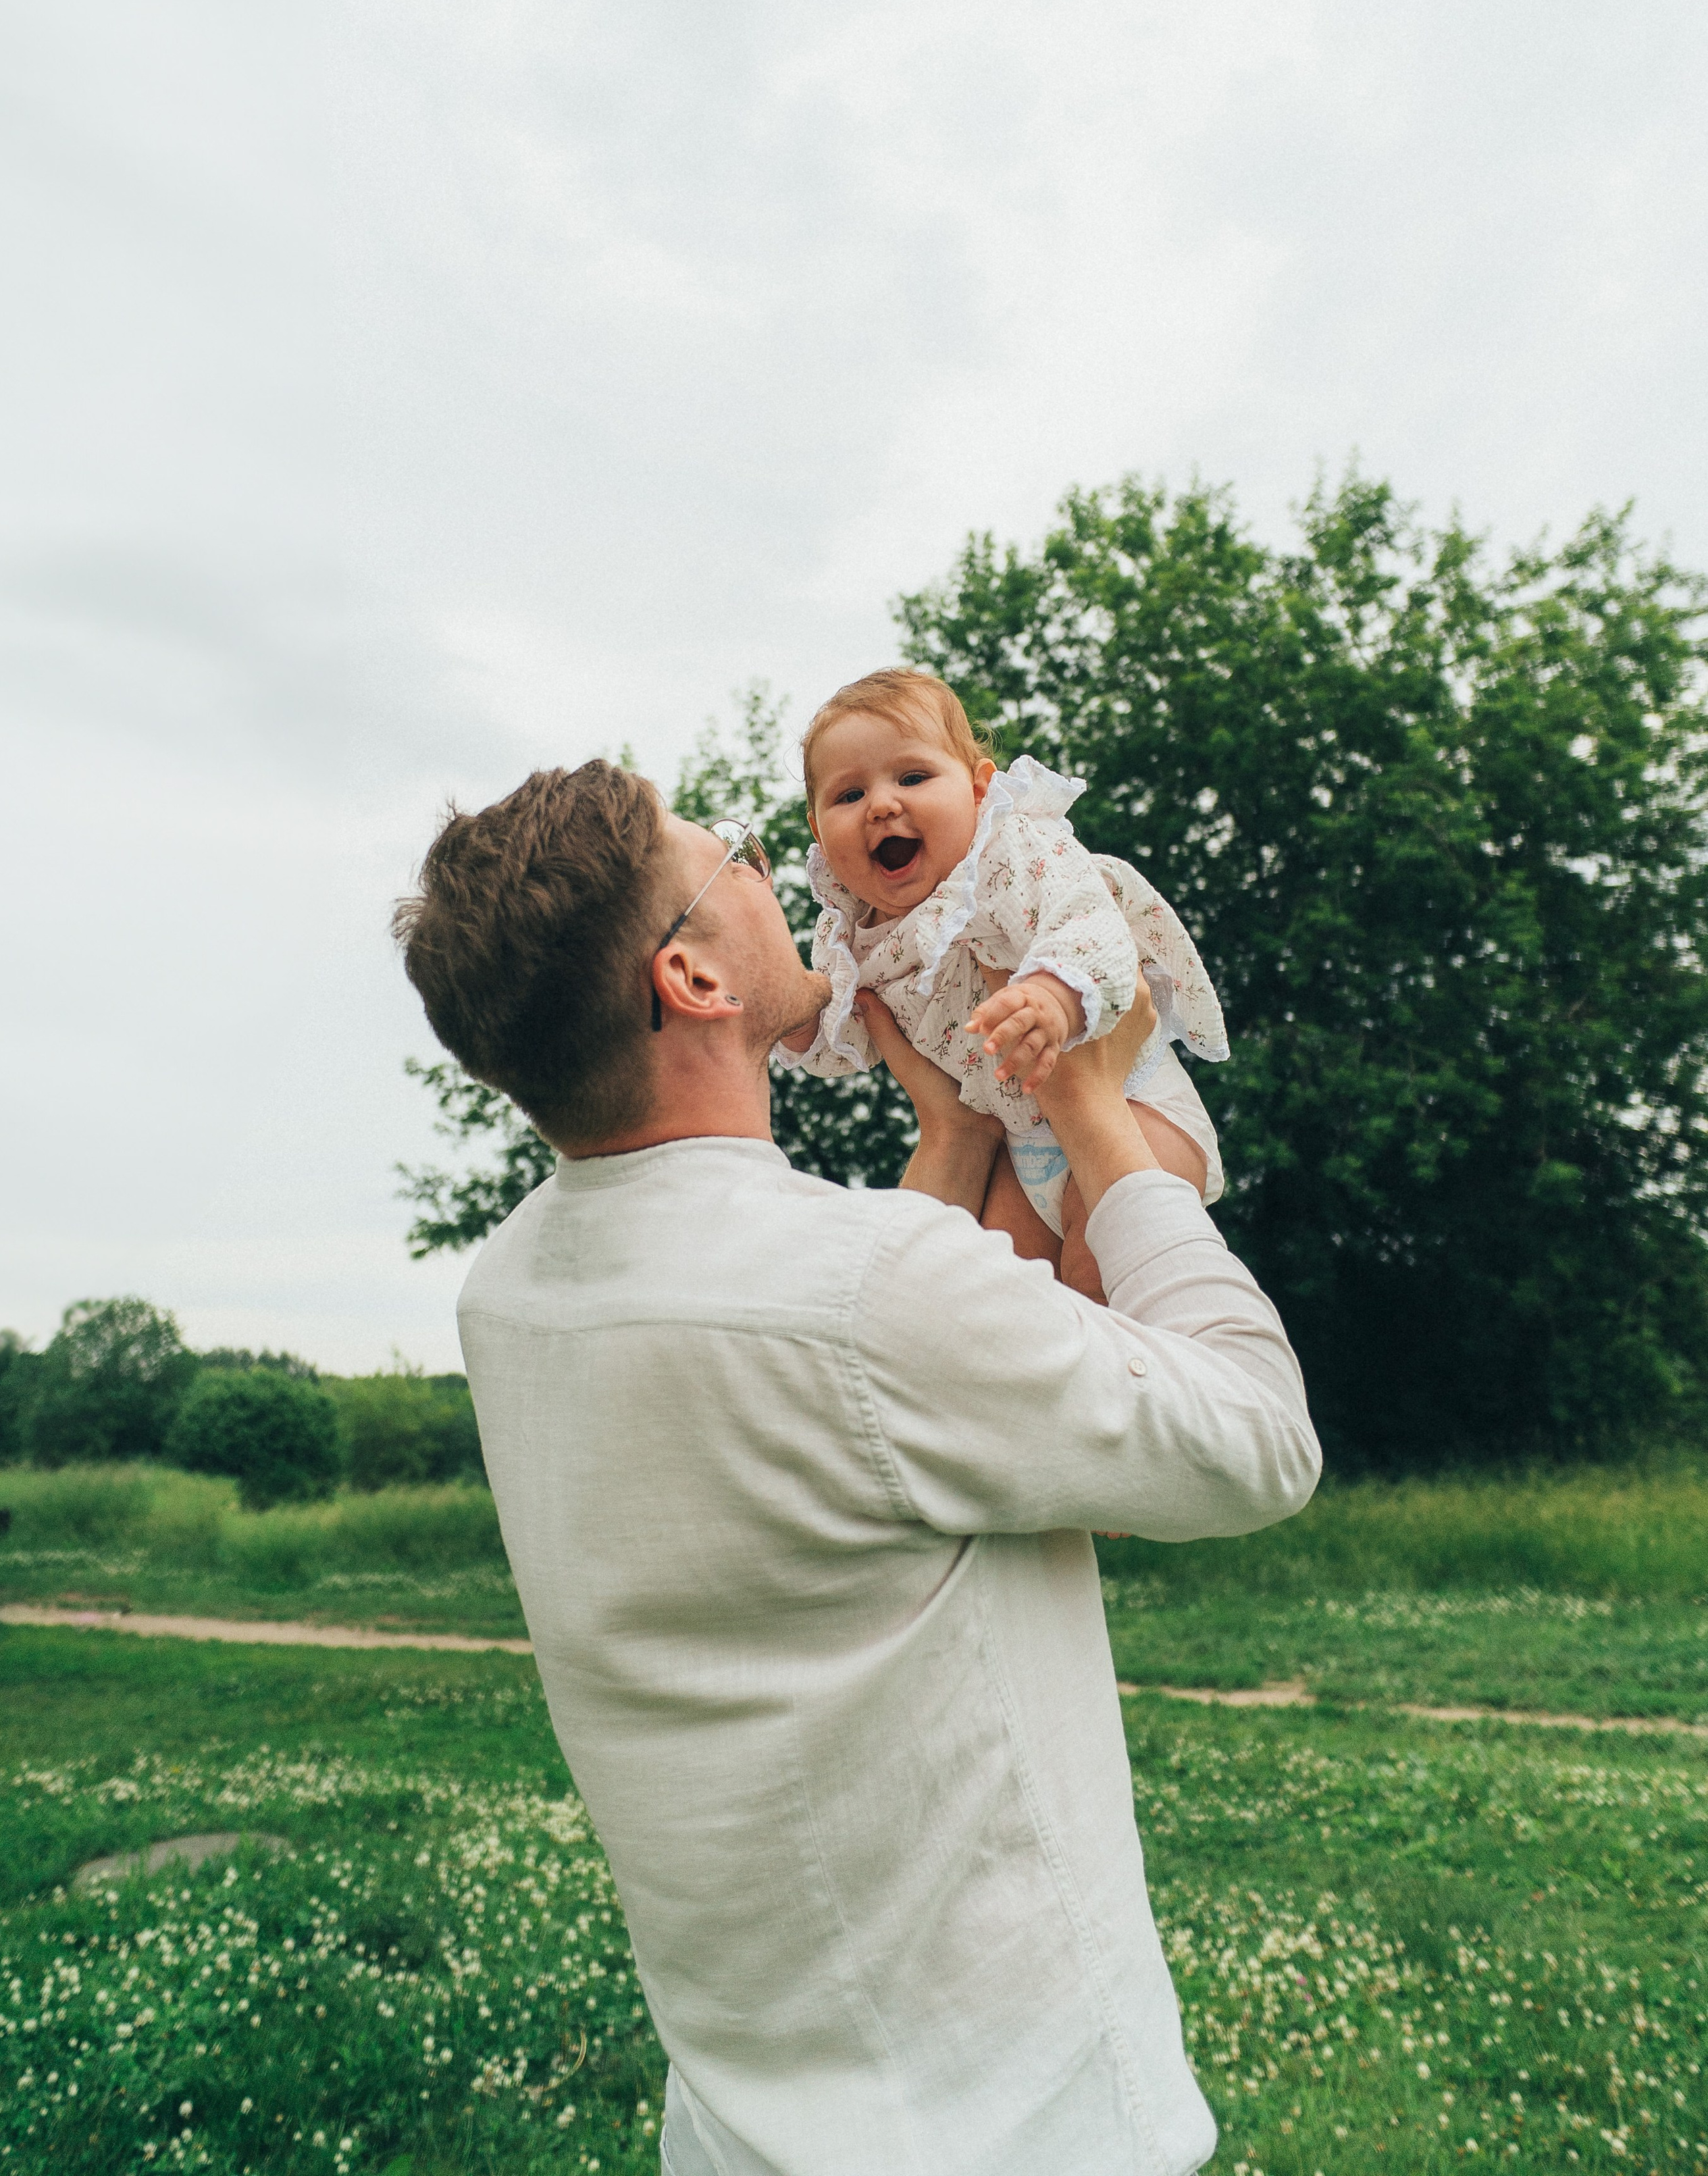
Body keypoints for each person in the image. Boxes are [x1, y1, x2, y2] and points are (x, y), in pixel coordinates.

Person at [394, 758, 1322, 2176]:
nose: (785, 878)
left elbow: (832, 1386)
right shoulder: (867, 1291)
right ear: (694, 978)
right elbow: (1256, 1443)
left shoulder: (508, 1295)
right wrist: (1086, 1111)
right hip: (1017, 2130)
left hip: (739, 2119)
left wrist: (950, 1141)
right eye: (745, 866)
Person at [778, 669, 1228, 1297]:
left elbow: (1087, 925)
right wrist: (790, 1019)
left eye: (913, 777)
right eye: (848, 795)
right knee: (1009, 1300)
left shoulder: (1013, 854)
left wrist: (1052, 994)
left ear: (979, 789)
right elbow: (846, 1038)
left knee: (1098, 1275)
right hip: (1023, 1150)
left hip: (1130, 1101)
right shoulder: (855, 938)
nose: (881, 804)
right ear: (818, 831)